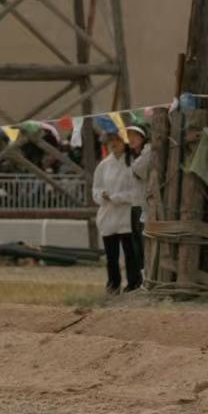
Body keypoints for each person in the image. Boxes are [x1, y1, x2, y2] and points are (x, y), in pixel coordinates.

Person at [92, 132, 142, 293]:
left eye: (118, 140)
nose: (114, 143)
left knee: (130, 253)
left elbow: (136, 190)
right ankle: (113, 284)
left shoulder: (132, 162)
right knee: (111, 255)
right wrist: (102, 196)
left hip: (127, 214)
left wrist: (118, 197)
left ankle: (134, 283)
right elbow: (96, 188)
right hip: (108, 214)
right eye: (111, 141)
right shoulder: (104, 165)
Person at [127, 125, 152, 273]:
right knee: (136, 247)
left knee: (144, 245)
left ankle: (146, 278)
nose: (131, 139)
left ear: (142, 138)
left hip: (144, 205)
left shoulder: (147, 152)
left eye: (135, 135)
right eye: (129, 135)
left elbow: (139, 170)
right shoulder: (134, 155)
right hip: (134, 204)